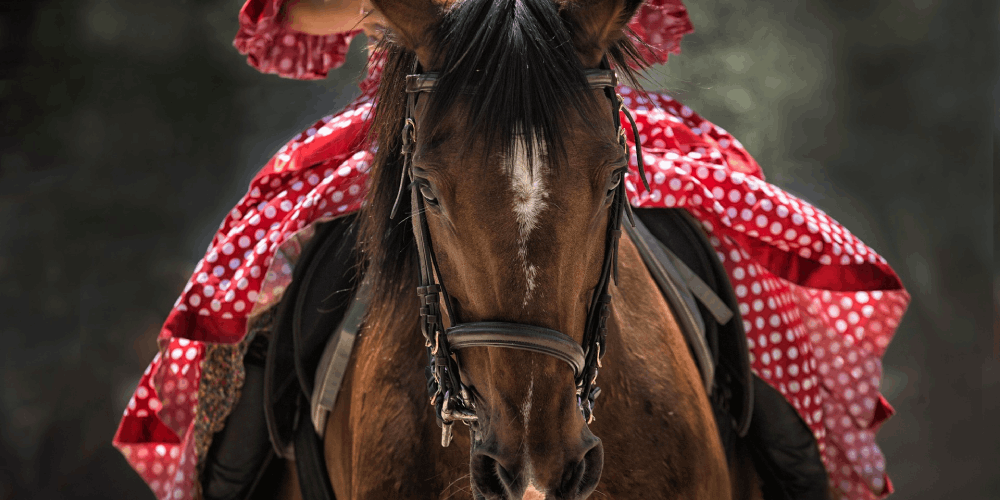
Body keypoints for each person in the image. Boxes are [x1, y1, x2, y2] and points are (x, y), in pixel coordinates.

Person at [112, 1, 910, 499]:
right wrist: (399, 10)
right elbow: (297, 14)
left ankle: (795, 464)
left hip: (563, 106)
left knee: (734, 248)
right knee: (271, 280)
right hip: (431, 114)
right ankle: (238, 467)